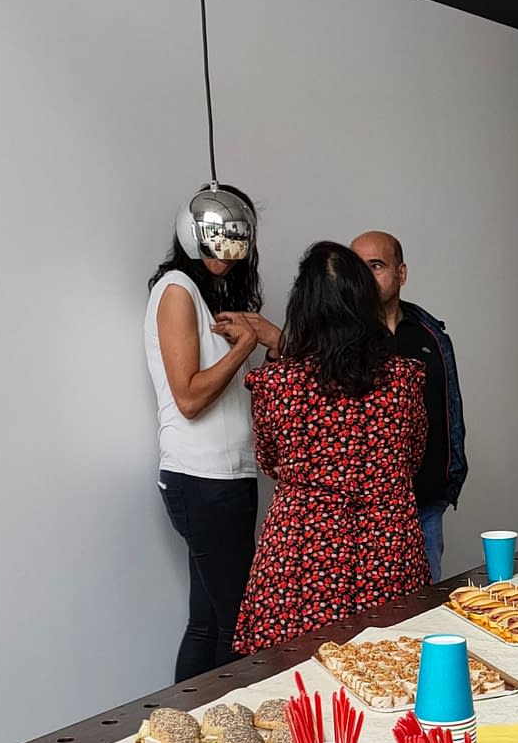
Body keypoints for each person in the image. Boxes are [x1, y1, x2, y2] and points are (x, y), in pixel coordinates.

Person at [234, 244, 431, 653]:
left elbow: (269, 460)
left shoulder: (277, 384)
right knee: (390, 669)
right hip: (386, 543)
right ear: (366, 304)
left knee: (293, 676)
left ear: (303, 307)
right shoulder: (404, 380)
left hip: (302, 550)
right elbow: (413, 457)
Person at [144, 187, 281, 679]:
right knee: (238, 628)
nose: (228, 249)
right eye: (218, 235)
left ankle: (183, 724)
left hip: (228, 478)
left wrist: (270, 340)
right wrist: (245, 346)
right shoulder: (178, 290)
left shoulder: (213, 296)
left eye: (238, 236)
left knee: (207, 625)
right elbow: (189, 397)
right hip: (202, 480)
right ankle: (231, 727)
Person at [350, 231, 467, 582]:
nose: (365, 278)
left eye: (376, 266)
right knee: (374, 607)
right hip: (366, 507)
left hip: (426, 498)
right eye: (357, 268)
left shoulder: (430, 333)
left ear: (401, 273)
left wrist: (452, 476)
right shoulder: (344, 339)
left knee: (426, 599)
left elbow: (449, 408)